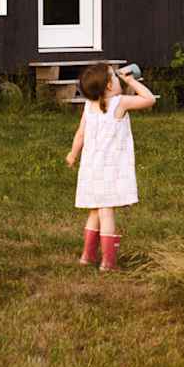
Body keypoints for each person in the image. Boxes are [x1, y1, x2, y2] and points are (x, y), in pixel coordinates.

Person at [66, 63, 155, 272]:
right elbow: (149, 99)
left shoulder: (89, 106)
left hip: (90, 169)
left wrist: (72, 154)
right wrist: (132, 80)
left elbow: (80, 134)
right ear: (108, 86)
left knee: (95, 211)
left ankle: (87, 256)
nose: (119, 79)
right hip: (111, 170)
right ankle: (108, 262)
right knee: (107, 213)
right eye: (115, 78)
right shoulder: (119, 103)